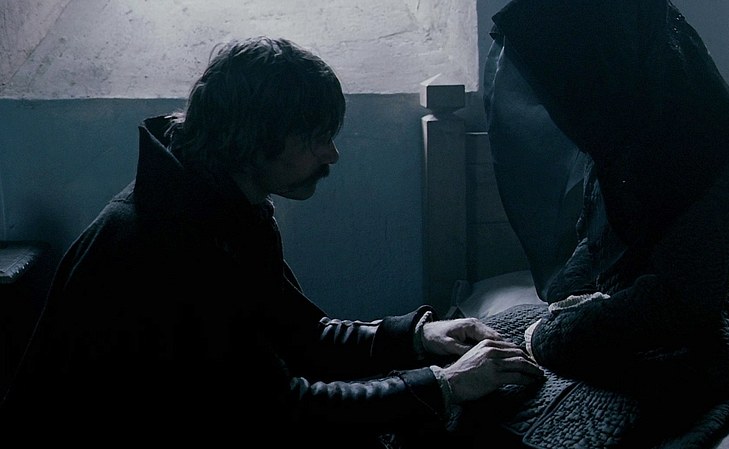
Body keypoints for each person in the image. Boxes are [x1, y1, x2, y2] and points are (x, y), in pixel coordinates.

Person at [0, 36, 543, 446]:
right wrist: (444, 385)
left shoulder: (219, 200)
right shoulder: (166, 243)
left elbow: (300, 335)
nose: (332, 155)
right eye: (315, 139)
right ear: (253, 137)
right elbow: (282, 410)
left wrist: (419, 337)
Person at [456, 0, 729, 448]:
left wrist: (553, 334)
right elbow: (596, 245)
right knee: (487, 339)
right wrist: (573, 296)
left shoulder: (709, 144)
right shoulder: (624, 123)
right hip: (644, 303)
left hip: (682, 313)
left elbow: (679, 301)